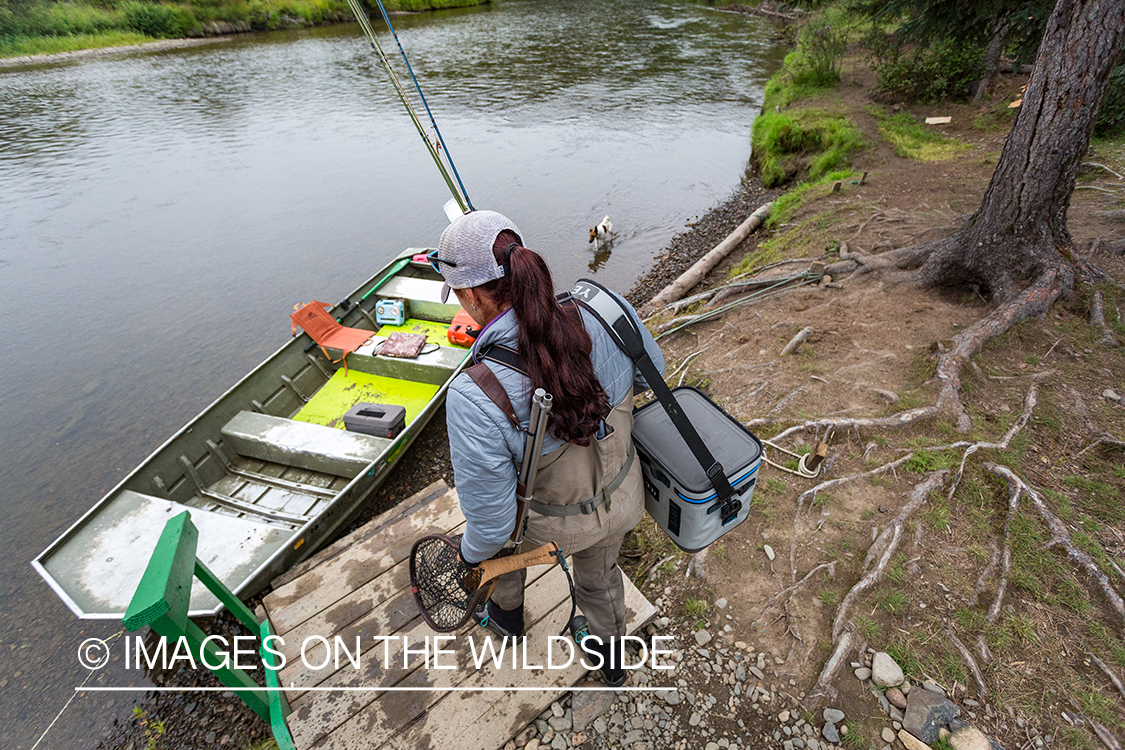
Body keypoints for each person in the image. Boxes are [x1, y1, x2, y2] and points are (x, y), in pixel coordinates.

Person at [430, 209, 664, 686]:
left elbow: (493, 524)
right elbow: (650, 377)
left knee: (499, 546)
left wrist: (468, 557)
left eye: (457, 293)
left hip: (546, 527)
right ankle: (611, 663)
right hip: (622, 498)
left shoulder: (474, 394)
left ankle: (507, 619)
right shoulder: (607, 307)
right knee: (600, 578)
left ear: (472, 296)